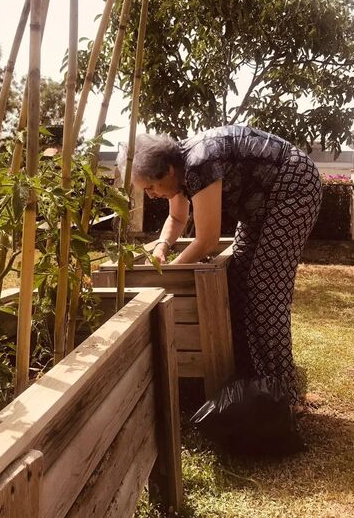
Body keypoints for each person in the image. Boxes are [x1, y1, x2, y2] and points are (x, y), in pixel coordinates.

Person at [116, 125, 323, 406]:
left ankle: (283, 394)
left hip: (294, 186)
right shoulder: (178, 167)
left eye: (151, 187)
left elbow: (207, 240)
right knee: (237, 278)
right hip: (260, 200)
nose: (151, 195)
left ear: (167, 172)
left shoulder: (199, 163)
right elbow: (177, 219)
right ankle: (252, 378)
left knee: (264, 289)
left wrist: (171, 273)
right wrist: (163, 247)